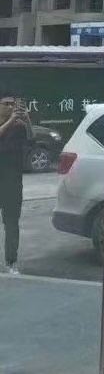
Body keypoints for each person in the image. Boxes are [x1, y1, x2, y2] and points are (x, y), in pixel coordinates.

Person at [0, 94, 32, 275]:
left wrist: (27, 121)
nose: (11, 107)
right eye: (6, 104)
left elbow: (31, 139)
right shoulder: (9, 124)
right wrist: (10, 121)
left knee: (12, 224)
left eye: (13, 104)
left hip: (12, 184)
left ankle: (11, 262)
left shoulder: (18, 127)